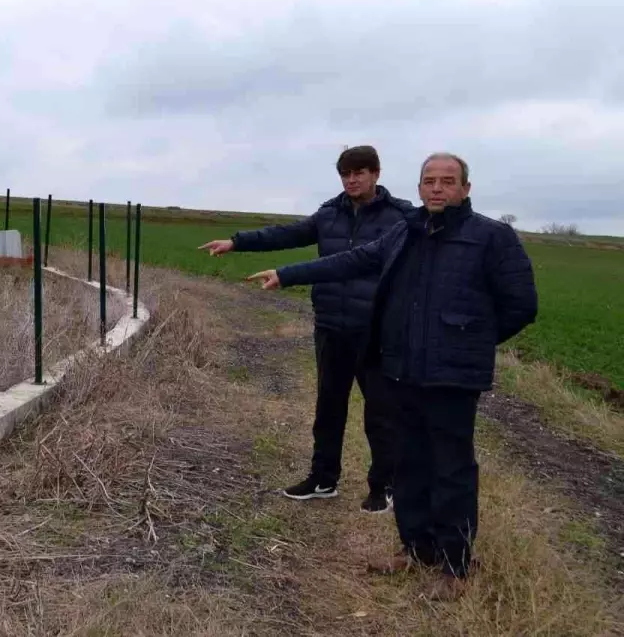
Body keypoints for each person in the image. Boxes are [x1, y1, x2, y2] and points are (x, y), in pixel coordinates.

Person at [246, 153, 538, 600]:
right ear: (419, 187)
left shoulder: (491, 238)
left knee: (451, 468)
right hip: (400, 369)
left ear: (466, 188)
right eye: (429, 181)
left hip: (452, 378)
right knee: (408, 462)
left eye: (447, 181)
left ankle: (454, 566)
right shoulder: (407, 231)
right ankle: (415, 549)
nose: (437, 189)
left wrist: (468, 340)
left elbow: (521, 305)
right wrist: (287, 274)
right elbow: (351, 261)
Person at [199, 145, 412, 513]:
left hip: (376, 329)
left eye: (359, 172)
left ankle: (383, 486)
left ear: (376, 173)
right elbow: (286, 234)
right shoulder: (329, 214)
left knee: (380, 412)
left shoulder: (401, 217)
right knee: (328, 407)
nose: (352, 180)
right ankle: (323, 478)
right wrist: (237, 241)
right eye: (345, 174)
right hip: (331, 324)